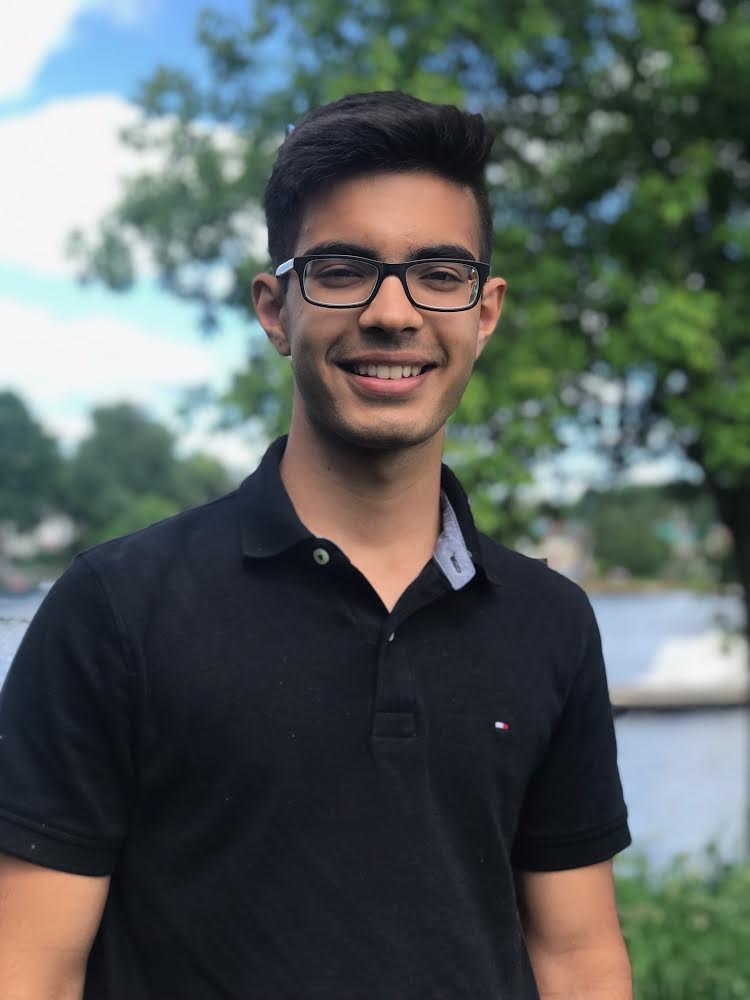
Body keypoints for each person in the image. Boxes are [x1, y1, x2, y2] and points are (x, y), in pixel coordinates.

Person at [0, 91, 632, 999]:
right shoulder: (116, 608)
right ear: (274, 308)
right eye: (342, 269)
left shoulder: (551, 624)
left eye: (439, 272)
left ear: (484, 311)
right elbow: (32, 973)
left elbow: (577, 959)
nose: (392, 312)